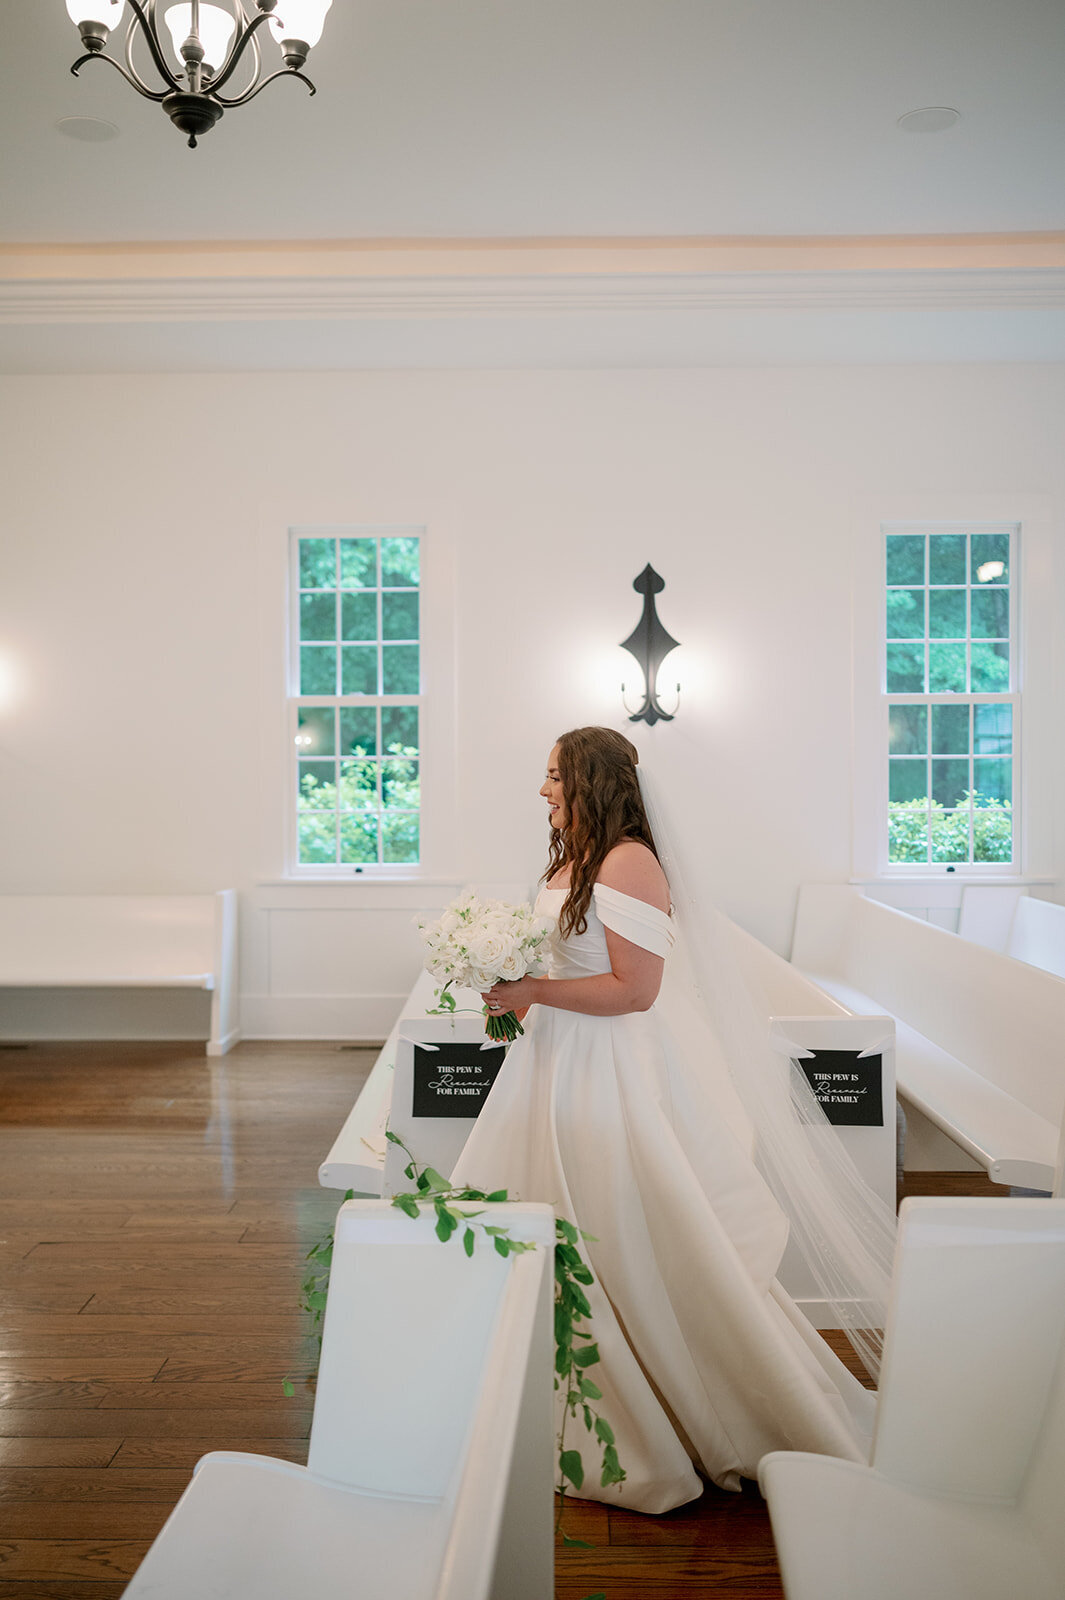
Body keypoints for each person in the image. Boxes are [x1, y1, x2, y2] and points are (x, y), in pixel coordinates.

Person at [450, 726, 884, 1514]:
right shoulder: (567, 857)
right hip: (552, 1062)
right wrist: (508, 980)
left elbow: (635, 991)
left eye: (553, 776)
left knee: (629, 1229)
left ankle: (680, 1419)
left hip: (611, 1066)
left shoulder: (628, 862)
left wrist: (534, 993)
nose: (542, 790)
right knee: (550, 1218)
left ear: (588, 779)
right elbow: (560, 962)